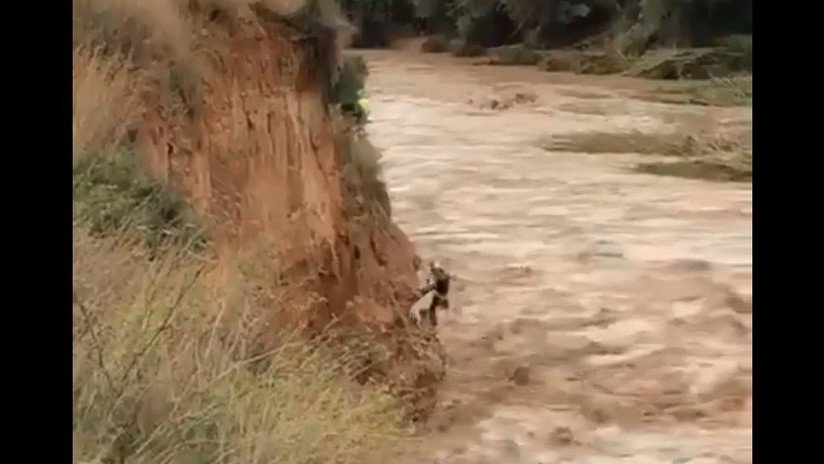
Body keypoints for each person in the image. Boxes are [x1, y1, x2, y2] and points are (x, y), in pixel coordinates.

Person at [418, 260, 451, 327]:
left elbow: (433, 287)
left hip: (439, 298)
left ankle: (433, 326)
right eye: (433, 271)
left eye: (434, 271)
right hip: (442, 298)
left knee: (431, 311)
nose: (433, 273)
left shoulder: (441, 278)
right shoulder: (445, 276)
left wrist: (424, 289)